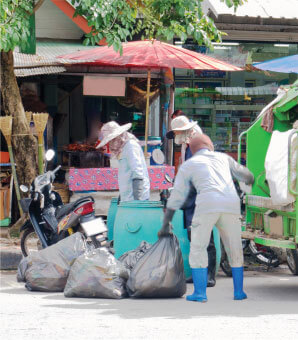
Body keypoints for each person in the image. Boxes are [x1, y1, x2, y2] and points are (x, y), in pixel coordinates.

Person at [158, 134, 254, 302]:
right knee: (234, 247)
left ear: (192, 150)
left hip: (207, 204)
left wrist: (166, 223)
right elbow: (246, 176)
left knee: (198, 247)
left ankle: (200, 293)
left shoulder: (189, 164)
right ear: (210, 146)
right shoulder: (224, 158)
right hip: (231, 203)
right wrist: (250, 182)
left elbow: (176, 197)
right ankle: (239, 292)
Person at [166, 116, 217, 287]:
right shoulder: (190, 145)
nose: (177, 137)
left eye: (177, 133)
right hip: (192, 200)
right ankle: (199, 273)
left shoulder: (199, 146)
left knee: (204, 238)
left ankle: (209, 275)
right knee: (194, 237)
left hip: (201, 199)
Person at [96, 121, 150, 202]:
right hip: (128, 197)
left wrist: (137, 200)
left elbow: (138, 173)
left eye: (112, 139)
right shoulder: (124, 148)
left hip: (136, 198)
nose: (111, 143)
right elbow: (126, 174)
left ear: (118, 136)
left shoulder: (130, 146)